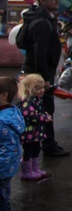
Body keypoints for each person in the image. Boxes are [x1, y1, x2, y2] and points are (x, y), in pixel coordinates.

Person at [20, 0, 69, 156]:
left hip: (36, 70)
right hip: (39, 72)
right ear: (42, 1)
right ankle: (47, 145)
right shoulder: (41, 22)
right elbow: (39, 51)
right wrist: (44, 78)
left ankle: (43, 144)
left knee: (38, 108)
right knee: (45, 108)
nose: (56, 1)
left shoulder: (39, 17)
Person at [17, 74, 50, 180]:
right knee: (28, 150)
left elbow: (39, 111)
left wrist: (45, 115)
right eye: (37, 88)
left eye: (42, 88)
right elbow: (29, 115)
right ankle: (26, 171)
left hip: (36, 132)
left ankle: (34, 168)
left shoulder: (37, 100)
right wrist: (44, 118)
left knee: (36, 149)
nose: (41, 90)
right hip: (28, 133)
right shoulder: (27, 102)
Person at [0, 76, 25, 210]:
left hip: (1, 164)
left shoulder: (2, 121)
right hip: (9, 164)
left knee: (1, 198)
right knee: (4, 192)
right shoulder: (13, 111)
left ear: (4, 95)